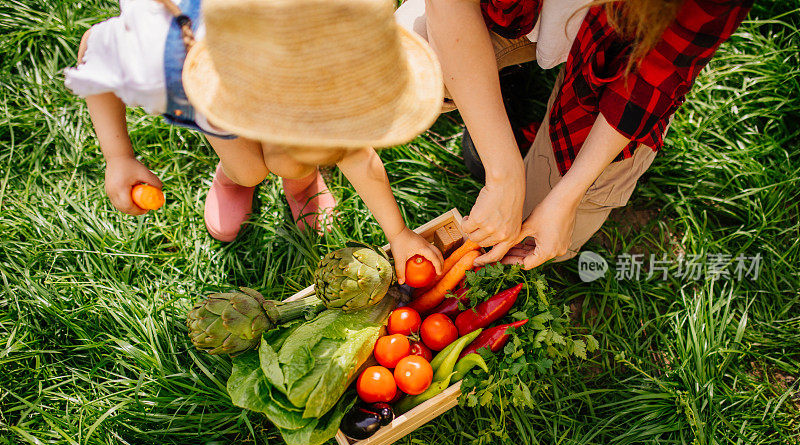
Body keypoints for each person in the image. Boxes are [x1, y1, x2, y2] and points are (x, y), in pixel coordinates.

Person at [65, 0, 445, 283]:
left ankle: (300, 177)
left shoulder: (319, 63)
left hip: (235, 82)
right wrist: (117, 156)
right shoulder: (156, 60)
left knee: (287, 161)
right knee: (248, 169)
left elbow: (359, 160)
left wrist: (398, 233)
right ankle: (235, 176)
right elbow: (90, 55)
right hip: (205, 93)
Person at [397, 0, 752, 269]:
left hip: (619, 54)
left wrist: (566, 198)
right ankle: (502, 85)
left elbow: (650, 80)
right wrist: (504, 173)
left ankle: (510, 97)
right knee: (400, 77)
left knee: (536, 230)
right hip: (517, 10)